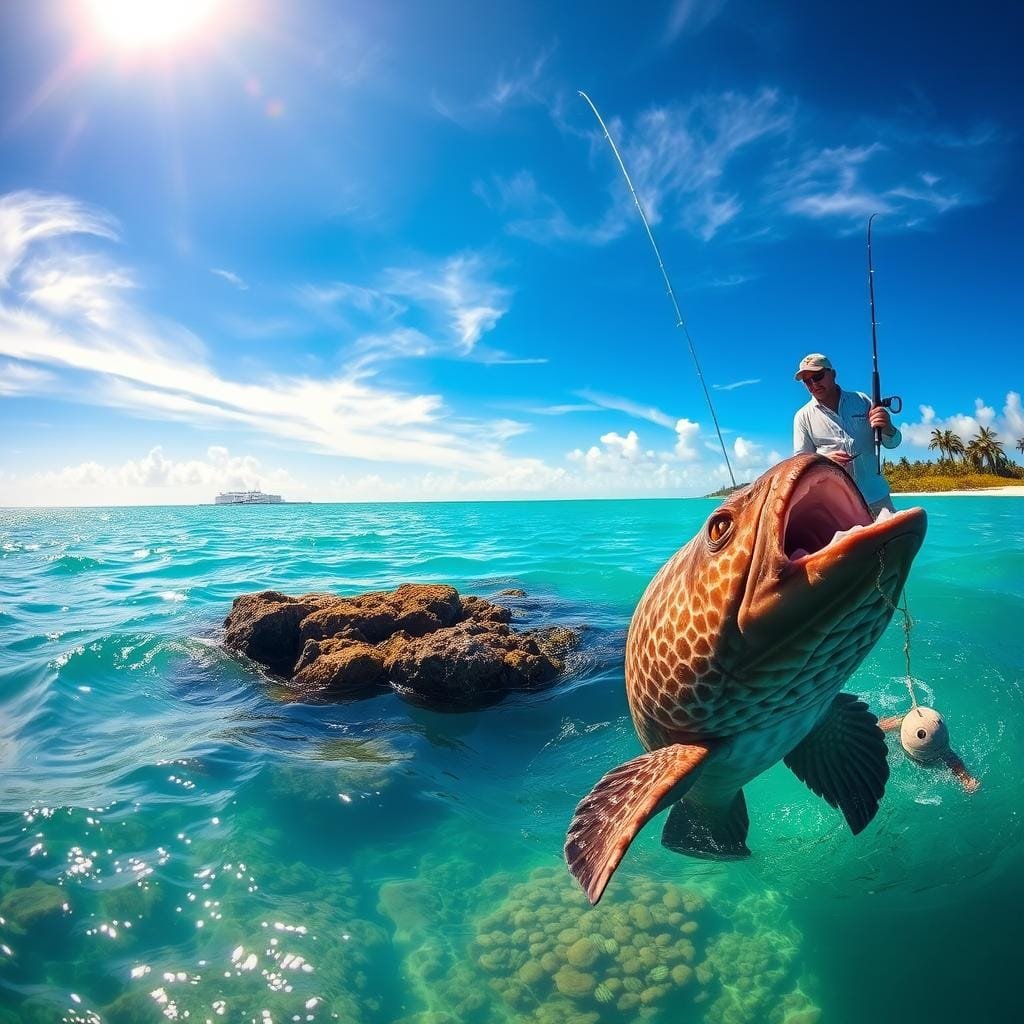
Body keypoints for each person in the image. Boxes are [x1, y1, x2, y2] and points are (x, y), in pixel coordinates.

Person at [792, 353, 901, 516]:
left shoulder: (863, 400)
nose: (814, 384)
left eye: (818, 376)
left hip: (876, 496)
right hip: (835, 504)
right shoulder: (802, 416)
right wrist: (825, 461)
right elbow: (800, 463)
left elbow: (893, 443)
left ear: (833, 374)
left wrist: (888, 427)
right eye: (807, 381)